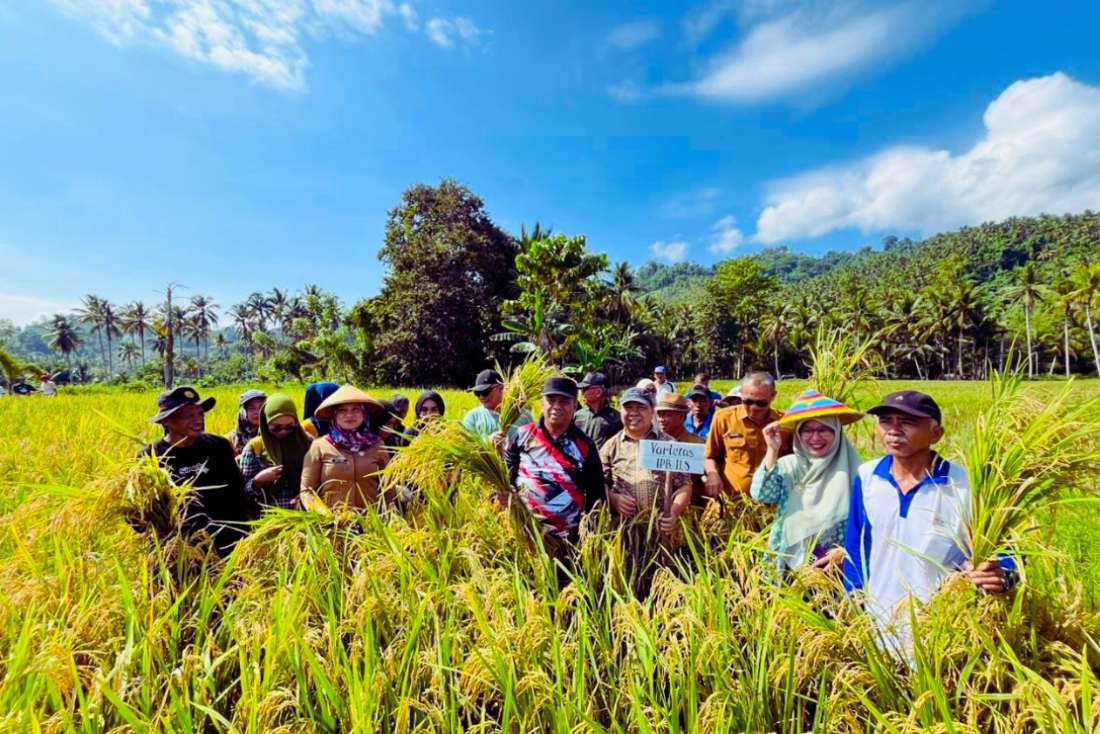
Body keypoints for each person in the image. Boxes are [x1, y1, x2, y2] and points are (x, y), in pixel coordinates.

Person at [841, 391, 1018, 641]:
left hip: (944, 626)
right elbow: (858, 546)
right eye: (885, 421)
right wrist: (854, 602)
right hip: (878, 621)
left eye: (907, 423)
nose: (893, 430)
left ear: (936, 434)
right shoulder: (868, 477)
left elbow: (1007, 554)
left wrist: (1002, 577)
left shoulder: (966, 486)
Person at [751, 389, 863, 572]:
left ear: (837, 431)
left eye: (824, 430)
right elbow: (762, 494)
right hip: (786, 559)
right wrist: (772, 450)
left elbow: (867, 522)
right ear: (798, 434)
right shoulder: (789, 466)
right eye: (807, 431)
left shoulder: (856, 470)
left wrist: (844, 552)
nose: (815, 438)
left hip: (835, 564)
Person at [138, 386, 253, 556]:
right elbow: (141, 511)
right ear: (166, 421)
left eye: (200, 414)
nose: (198, 420)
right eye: (189, 415)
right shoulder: (151, 456)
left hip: (224, 542)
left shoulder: (218, 446)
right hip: (177, 548)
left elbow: (237, 494)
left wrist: (245, 537)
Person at [502, 377, 604, 554]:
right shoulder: (522, 436)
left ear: (575, 406)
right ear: (542, 402)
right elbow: (505, 476)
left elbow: (596, 494)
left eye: (564, 401)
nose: (556, 406)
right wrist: (505, 495)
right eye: (551, 400)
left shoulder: (584, 445)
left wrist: (588, 535)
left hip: (568, 541)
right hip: (524, 535)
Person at [602, 388, 693, 541]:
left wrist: (674, 512)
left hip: (661, 531)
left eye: (641, 407)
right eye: (628, 407)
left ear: (652, 412)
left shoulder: (669, 444)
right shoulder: (611, 446)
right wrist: (614, 499)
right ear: (620, 411)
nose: (634, 413)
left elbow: (685, 485)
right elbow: (598, 482)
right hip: (624, 533)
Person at [300, 385, 391, 511]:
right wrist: (328, 517)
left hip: (372, 521)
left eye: (355, 409)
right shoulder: (319, 446)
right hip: (333, 525)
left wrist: (388, 516)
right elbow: (307, 491)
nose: (349, 415)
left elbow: (388, 487)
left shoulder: (377, 445)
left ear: (364, 414)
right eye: (342, 410)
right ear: (334, 415)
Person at [704, 372, 789, 498]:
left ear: (773, 396)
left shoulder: (785, 423)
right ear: (741, 394)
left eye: (761, 403)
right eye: (748, 402)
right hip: (731, 502)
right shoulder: (723, 418)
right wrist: (712, 474)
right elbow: (710, 456)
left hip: (771, 503)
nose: (754, 408)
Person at [238, 393, 312, 511]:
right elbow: (242, 492)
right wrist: (257, 481)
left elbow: (320, 481)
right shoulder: (255, 448)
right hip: (269, 517)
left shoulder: (308, 443)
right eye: (276, 428)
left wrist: (306, 495)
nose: (283, 431)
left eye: (289, 427)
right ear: (265, 425)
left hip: (305, 515)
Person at [655, 392, 706, 504]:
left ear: (682, 416)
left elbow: (705, 480)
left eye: (667, 415)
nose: (661, 419)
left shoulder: (698, 445)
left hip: (691, 509)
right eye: (659, 415)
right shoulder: (653, 444)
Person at [463, 368, 532, 440]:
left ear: (501, 389)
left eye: (485, 392)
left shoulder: (523, 414)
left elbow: (534, 441)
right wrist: (488, 442)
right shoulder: (472, 418)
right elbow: (466, 445)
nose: (481, 397)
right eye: (477, 393)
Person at [575, 371, 622, 448]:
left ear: (598, 392)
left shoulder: (617, 419)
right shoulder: (578, 415)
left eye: (585, 389)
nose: (582, 393)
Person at [227, 389, 267, 456]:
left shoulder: (274, 434)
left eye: (261, 407)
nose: (257, 412)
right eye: (252, 408)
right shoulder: (230, 440)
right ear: (243, 412)